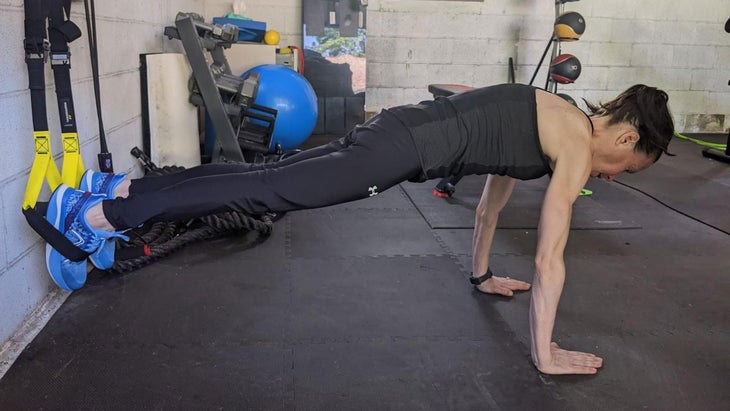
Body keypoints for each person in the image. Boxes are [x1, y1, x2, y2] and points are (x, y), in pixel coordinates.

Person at [44, 82, 675, 375]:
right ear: (623, 135)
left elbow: (490, 200)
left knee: (266, 178)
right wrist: (545, 353)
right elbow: (550, 256)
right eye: (628, 165)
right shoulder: (571, 144)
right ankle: (97, 216)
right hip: (394, 153)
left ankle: (120, 192)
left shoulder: (552, 113)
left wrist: (481, 274)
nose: (615, 177)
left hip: (393, 129)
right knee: (266, 190)